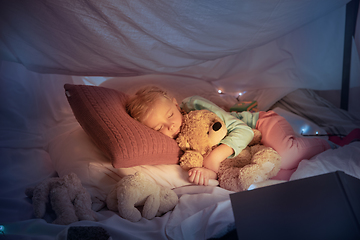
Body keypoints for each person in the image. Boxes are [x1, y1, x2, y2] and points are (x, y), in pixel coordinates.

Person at [126, 86, 356, 186]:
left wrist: (213, 161)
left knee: (286, 155)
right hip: (252, 148)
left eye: (169, 115)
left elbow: (242, 130)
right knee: (278, 174)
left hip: (261, 124)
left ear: (176, 103)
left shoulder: (195, 105)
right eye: (158, 129)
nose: (170, 126)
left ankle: (328, 143)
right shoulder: (180, 140)